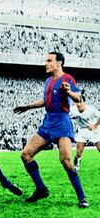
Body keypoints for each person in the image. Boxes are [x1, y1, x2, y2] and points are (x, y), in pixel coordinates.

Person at [13, 52, 89, 208]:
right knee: (26, 155)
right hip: (48, 122)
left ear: (58, 63)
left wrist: (69, 92)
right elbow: (45, 101)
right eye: (45, 61)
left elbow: (78, 97)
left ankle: (82, 198)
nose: (45, 63)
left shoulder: (67, 78)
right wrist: (28, 106)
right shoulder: (48, 81)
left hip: (62, 122)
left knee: (66, 162)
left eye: (49, 61)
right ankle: (41, 189)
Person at [69, 97, 100, 171]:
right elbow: (66, 116)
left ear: (84, 102)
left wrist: (95, 125)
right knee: (79, 152)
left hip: (94, 130)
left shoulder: (91, 109)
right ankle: (76, 167)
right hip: (82, 130)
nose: (78, 104)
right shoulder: (72, 110)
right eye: (77, 102)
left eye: (80, 102)